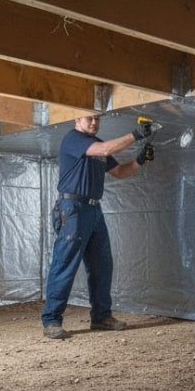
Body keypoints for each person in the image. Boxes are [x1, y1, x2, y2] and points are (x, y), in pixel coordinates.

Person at [41, 114, 156, 339]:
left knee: (102, 265)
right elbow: (103, 150)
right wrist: (136, 134)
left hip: (94, 210)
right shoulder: (74, 139)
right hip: (72, 208)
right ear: (76, 120)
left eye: (97, 119)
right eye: (89, 119)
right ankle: (52, 320)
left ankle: (101, 317)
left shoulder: (97, 147)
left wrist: (140, 160)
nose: (94, 122)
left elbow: (120, 172)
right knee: (65, 263)